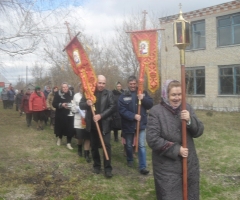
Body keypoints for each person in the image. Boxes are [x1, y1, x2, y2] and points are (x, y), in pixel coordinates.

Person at [146, 80, 204, 200]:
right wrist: (176, 149)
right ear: (166, 95)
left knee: (190, 195)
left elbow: (199, 131)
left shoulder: (186, 108)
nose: (177, 98)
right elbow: (152, 139)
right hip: (166, 168)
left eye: (179, 94)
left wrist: (190, 120)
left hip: (189, 165)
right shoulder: (156, 112)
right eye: (173, 95)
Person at [80, 75, 115, 178]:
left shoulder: (109, 93)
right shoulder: (89, 92)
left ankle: (108, 168)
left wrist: (101, 115)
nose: (101, 85)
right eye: (100, 83)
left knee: (106, 146)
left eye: (103, 83)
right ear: (96, 82)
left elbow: (113, 107)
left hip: (104, 125)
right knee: (94, 146)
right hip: (92, 125)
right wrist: (87, 103)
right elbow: (81, 105)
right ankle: (97, 165)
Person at [118, 75, 153, 175]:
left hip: (141, 124)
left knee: (142, 145)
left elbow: (150, 104)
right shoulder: (124, 94)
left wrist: (143, 98)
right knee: (129, 145)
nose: (133, 86)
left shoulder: (143, 92)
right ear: (128, 84)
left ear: (137, 83)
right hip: (128, 124)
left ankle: (142, 166)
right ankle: (130, 159)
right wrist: (133, 116)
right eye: (131, 84)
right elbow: (121, 110)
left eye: (134, 84)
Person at [72, 82, 91, 162]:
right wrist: (77, 109)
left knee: (87, 137)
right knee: (80, 137)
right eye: (80, 87)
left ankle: (87, 154)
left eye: (83, 87)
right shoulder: (76, 96)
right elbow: (73, 108)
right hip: (79, 120)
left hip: (88, 120)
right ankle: (79, 148)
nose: (82, 89)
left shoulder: (89, 95)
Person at [52, 83, 75, 150]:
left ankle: (68, 143)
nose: (65, 88)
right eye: (63, 87)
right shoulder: (57, 94)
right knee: (60, 127)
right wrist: (61, 104)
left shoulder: (72, 93)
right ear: (61, 88)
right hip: (61, 114)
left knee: (70, 128)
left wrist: (72, 105)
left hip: (70, 114)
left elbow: (75, 102)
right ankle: (59, 139)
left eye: (66, 87)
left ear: (68, 87)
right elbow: (54, 104)